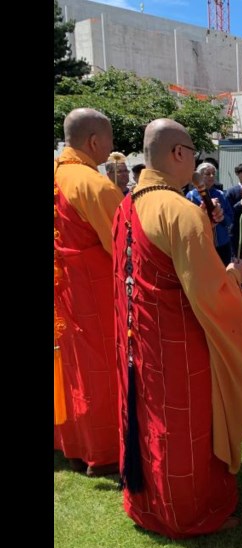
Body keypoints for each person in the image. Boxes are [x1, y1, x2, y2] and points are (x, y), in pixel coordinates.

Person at [112, 118, 242, 539]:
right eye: (193, 151)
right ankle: (186, 512)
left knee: (145, 415)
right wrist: (236, 281)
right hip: (178, 340)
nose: (196, 160)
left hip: (136, 336)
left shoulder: (126, 205)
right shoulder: (179, 211)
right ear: (177, 154)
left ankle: (145, 501)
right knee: (182, 426)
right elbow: (209, 292)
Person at [53, 107, 124, 477]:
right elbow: (123, 244)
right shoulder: (91, 183)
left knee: (69, 367)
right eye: (110, 140)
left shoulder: (59, 175)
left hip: (63, 290)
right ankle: (104, 451)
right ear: (95, 141)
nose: (112, 147)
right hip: (93, 294)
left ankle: (71, 444)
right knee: (99, 372)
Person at [186, 162, 233, 266]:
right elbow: (189, 221)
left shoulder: (220, 194)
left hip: (222, 243)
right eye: (208, 174)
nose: (211, 176)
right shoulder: (191, 196)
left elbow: (230, 217)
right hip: (202, 244)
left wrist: (221, 218)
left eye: (213, 173)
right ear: (199, 176)